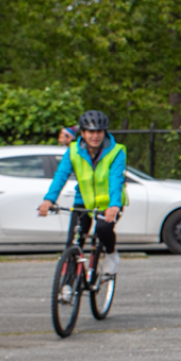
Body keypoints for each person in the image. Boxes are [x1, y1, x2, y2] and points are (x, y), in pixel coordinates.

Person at [38, 110, 126, 289]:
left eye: (99, 132)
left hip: (109, 203)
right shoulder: (73, 151)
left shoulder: (116, 151)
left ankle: (111, 255)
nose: (95, 136)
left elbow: (116, 180)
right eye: (91, 132)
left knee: (103, 229)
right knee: (74, 241)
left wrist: (114, 205)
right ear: (83, 133)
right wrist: (49, 200)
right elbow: (61, 175)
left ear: (104, 132)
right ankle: (68, 286)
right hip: (83, 201)